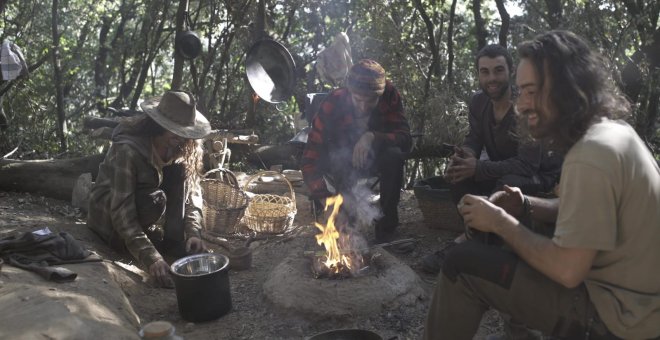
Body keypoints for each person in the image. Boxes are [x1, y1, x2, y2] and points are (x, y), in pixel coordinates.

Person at [423, 30, 660, 340]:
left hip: (619, 319)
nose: (521, 105)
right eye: (520, 91)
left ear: (566, 88)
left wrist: (499, 222)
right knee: (518, 232)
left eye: (531, 91)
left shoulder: (590, 154)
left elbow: (567, 270)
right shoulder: (615, 132)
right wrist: (524, 205)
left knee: (461, 265)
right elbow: (587, 211)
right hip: (641, 304)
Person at [421, 44, 562, 274]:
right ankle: (482, 236)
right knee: (458, 176)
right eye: (484, 72)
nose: (491, 78)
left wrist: (478, 168)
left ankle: (464, 243)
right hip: (499, 170)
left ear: (511, 72)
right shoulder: (478, 102)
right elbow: (474, 137)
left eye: (498, 70)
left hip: (538, 175)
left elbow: (527, 165)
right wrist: (464, 156)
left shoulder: (526, 107)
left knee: (508, 182)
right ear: (478, 74)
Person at [88, 90, 211, 288]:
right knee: (155, 199)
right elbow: (121, 211)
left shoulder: (183, 147)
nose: (180, 137)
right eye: (175, 130)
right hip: (109, 221)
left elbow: (193, 192)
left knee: (180, 172)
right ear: (158, 125)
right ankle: (133, 245)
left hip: (144, 211)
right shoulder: (128, 150)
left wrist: (194, 231)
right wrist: (150, 256)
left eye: (184, 132)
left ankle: (173, 241)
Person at [301, 59, 412, 243]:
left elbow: (405, 139)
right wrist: (325, 201)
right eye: (358, 100)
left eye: (370, 101)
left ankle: (386, 229)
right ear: (349, 92)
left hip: (377, 158)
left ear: (380, 95)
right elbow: (309, 160)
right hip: (341, 163)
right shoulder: (333, 102)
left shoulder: (389, 94)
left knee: (394, 156)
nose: (363, 107)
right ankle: (346, 224)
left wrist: (372, 136)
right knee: (340, 156)